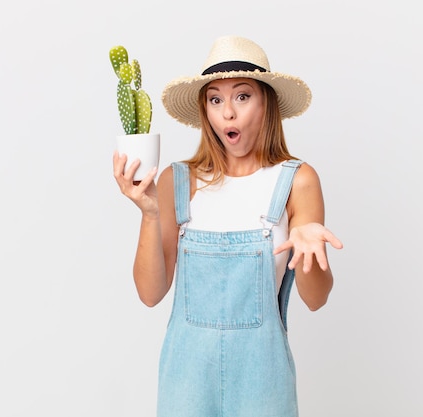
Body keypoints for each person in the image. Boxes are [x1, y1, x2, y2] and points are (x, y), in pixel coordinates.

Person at [113, 35, 343, 417]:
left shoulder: (297, 180)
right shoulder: (177, 180)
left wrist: (308, 251)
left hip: (263, 385)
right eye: (215, 99)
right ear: (205, 110)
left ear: (266, 102)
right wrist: (150, 214)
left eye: (242, 96)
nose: (228, 114)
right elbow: (150, 294)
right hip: (185, 384)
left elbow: (316, 299)